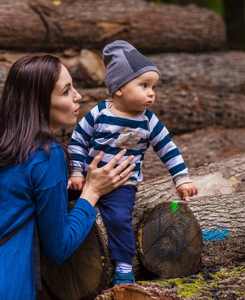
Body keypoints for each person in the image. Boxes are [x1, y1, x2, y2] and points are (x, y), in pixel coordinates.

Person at [0, 54, 135, 299]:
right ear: (39, 102)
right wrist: (92, 192)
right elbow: (58, 247)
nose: (78, 96)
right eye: (66, 91)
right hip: (4, 290)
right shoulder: (46, 155)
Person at [68, 40, 199, 285]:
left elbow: (168, 149)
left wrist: (182, 179)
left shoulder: (148, 121)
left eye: (153, 87)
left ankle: (124, 267)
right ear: (118, 88)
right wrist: (76, 172)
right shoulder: (99, 113)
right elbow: (77, 141)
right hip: (88, 180)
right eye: (144, 85)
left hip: (121, 185)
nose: (151, 92)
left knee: (119, 218)